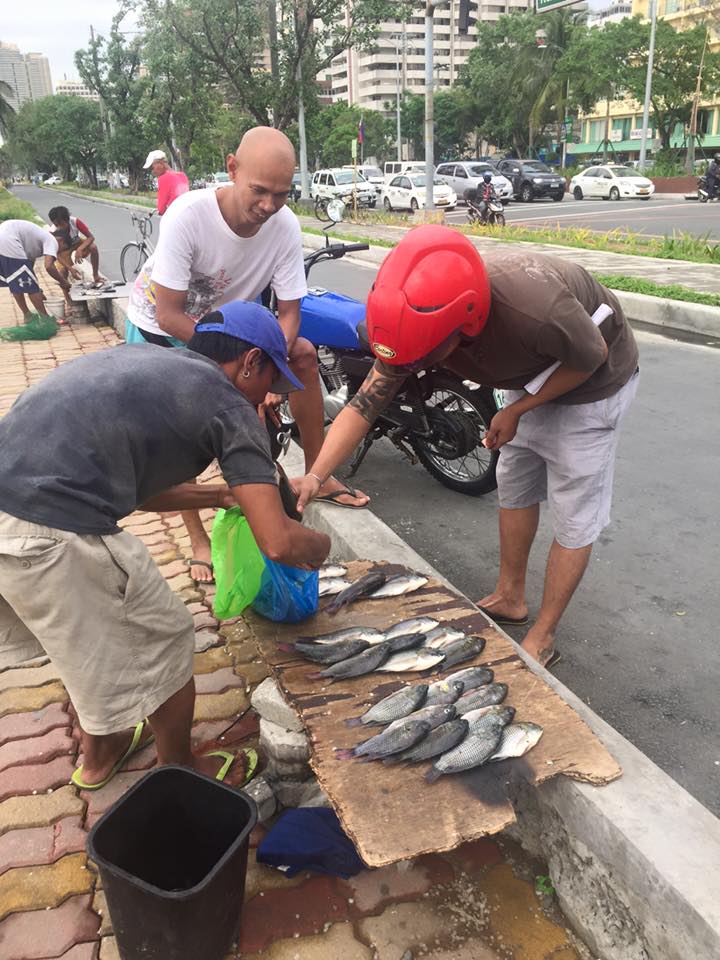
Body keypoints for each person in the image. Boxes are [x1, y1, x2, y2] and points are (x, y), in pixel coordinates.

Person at [0, 299, 330, 790]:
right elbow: (279, 544)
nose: (267, 399)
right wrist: (320, 547)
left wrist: (220, 493)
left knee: (86, 639)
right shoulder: (228, 404)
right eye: (269, 384)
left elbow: (136, 491)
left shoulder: (150, 363)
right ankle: (179, 770)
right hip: (51, 528)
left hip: (13, 508)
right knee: (166, 637)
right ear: (250, 362)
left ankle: (105, 748)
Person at [295, 226, 639, 668]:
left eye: (425, 357)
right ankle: (510, 596)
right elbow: (364, 405)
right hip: (529, 375)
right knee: (514, 482)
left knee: (574, 512)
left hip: (592, 382)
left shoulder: (535, 308)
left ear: (466, 325)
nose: (414, 369)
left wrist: (517, 411)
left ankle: (545, 634)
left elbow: (591, 357)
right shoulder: (412, 319)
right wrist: (316, 475)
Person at [127, 126, 367, 583]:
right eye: (259, 191)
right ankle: (198, 539)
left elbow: (290, 313)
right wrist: (239, 383)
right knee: (173, 436)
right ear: (232, 169)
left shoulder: (284, 225)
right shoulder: (188, 216)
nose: (269, 206)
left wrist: (267, 371)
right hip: (164, 328)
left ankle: (321, 471)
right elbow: (170, 312)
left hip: (237, 335)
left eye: (281, 194)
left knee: (302, 354)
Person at [0, 219, 72, 319]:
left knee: (17, 281)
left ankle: (27, 315)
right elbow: (49, 266)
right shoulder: (52, 240)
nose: (58, 252)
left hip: (5, 236)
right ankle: (46, 319)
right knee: (31, 287)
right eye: (62, 249)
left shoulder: (36, 239)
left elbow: (28, 270)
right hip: (9, 240)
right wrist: (63, 281)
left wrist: (39, 289)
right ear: (62, 241)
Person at [48, 205, 103, 286]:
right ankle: (67, 295)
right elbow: (56, 254)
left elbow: (91, 237)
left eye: (61, 224)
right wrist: (70, 268)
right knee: (63, 271)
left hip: (76, 242)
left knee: (93, 247)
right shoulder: (53, 232)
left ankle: (96, 276)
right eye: (56, 225)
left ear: (67, 219)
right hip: (63, 251)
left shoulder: (75, 221)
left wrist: (80, 249)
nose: (59, 227)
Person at [144, 149, 190, 215]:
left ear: (161, 164)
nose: (152, 171)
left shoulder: (163, 179)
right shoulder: (182, 175)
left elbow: (161, 209)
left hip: (175, 218)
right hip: (187, 215)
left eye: (152, 167)